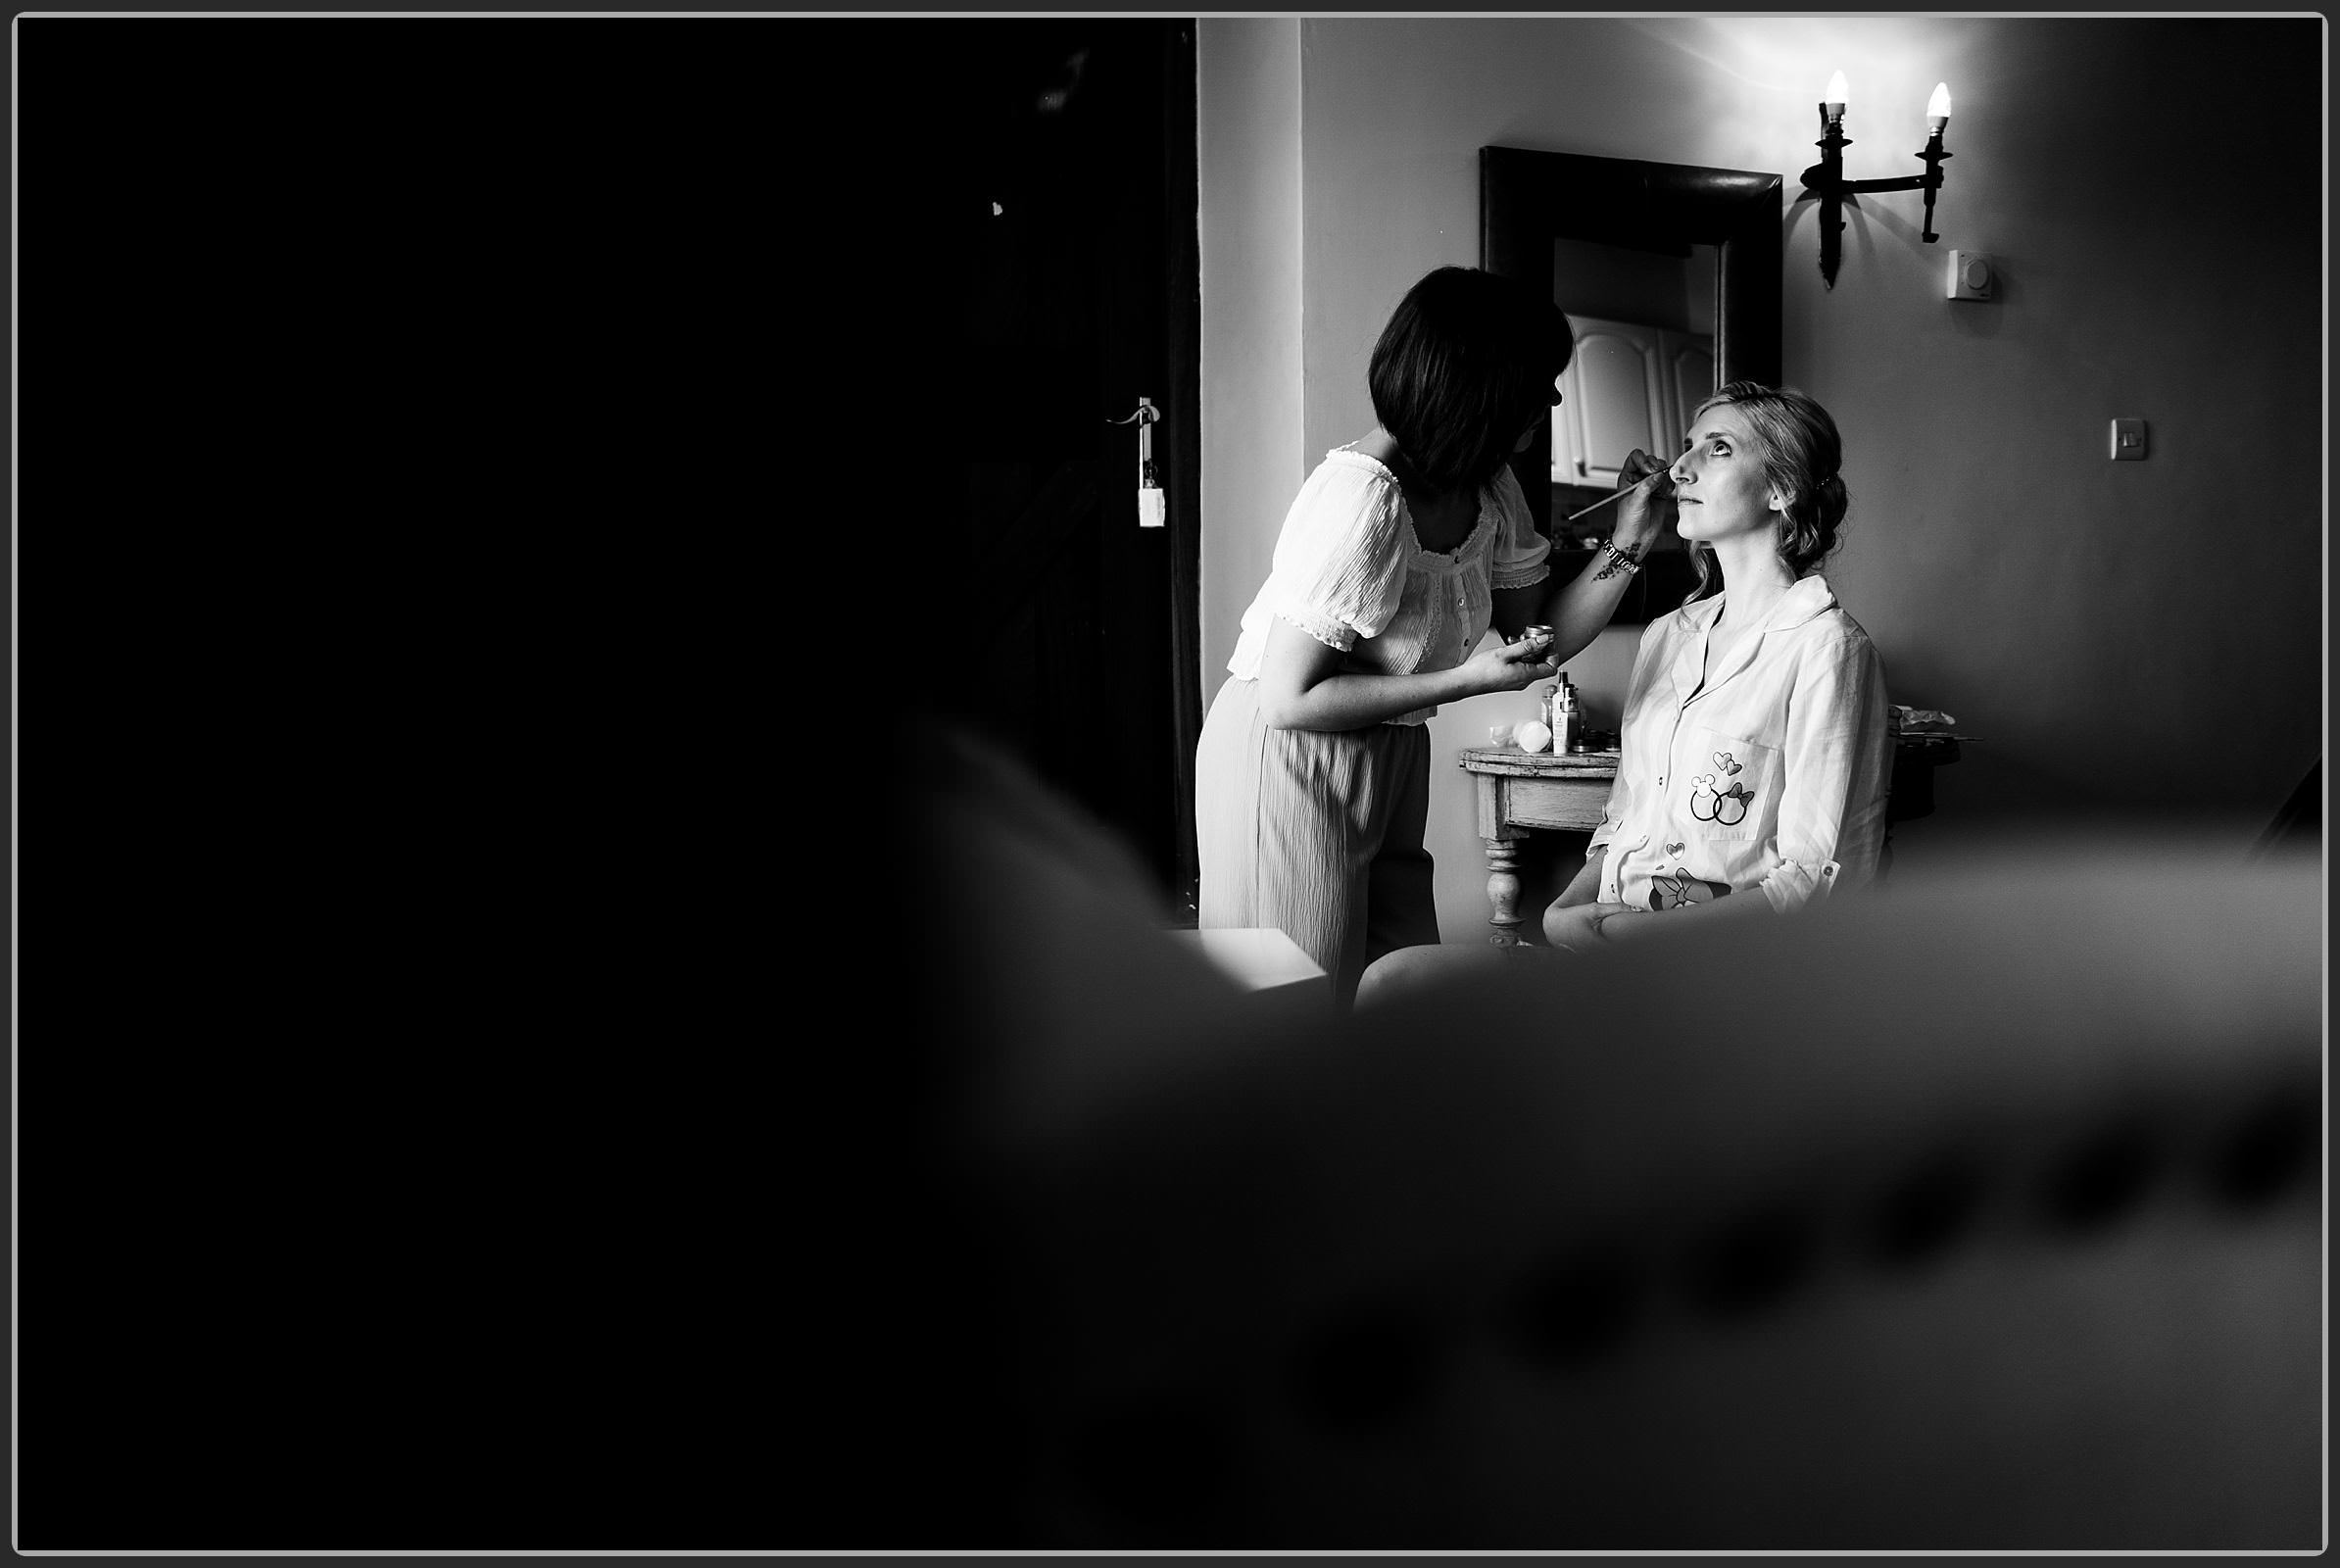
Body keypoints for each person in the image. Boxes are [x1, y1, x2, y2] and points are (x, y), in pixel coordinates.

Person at [1194, 266, 1674, 1006]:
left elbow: (1538, 632)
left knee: (1399, 997)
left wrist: (1631, 540)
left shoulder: (1490, 486)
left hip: (1391, 755)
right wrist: (1471, 681)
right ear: (1480, 384)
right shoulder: (1360, 501)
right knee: (1296, 1015)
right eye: (1539, 378)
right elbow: (1291, 699)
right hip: (1286, 758)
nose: (1550, 399)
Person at [1355, 380, 1891, 1004]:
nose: (1681, 467)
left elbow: (1816, 883)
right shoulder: (1668, 635)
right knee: (1392, 983)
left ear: (1781, 489)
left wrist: (1634, 936)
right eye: (1687, 446)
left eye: (1717, 450)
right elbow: (1622, 825)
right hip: (1609, 949)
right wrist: (1564, 912)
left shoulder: (1829, 650)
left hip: (1724, 978)